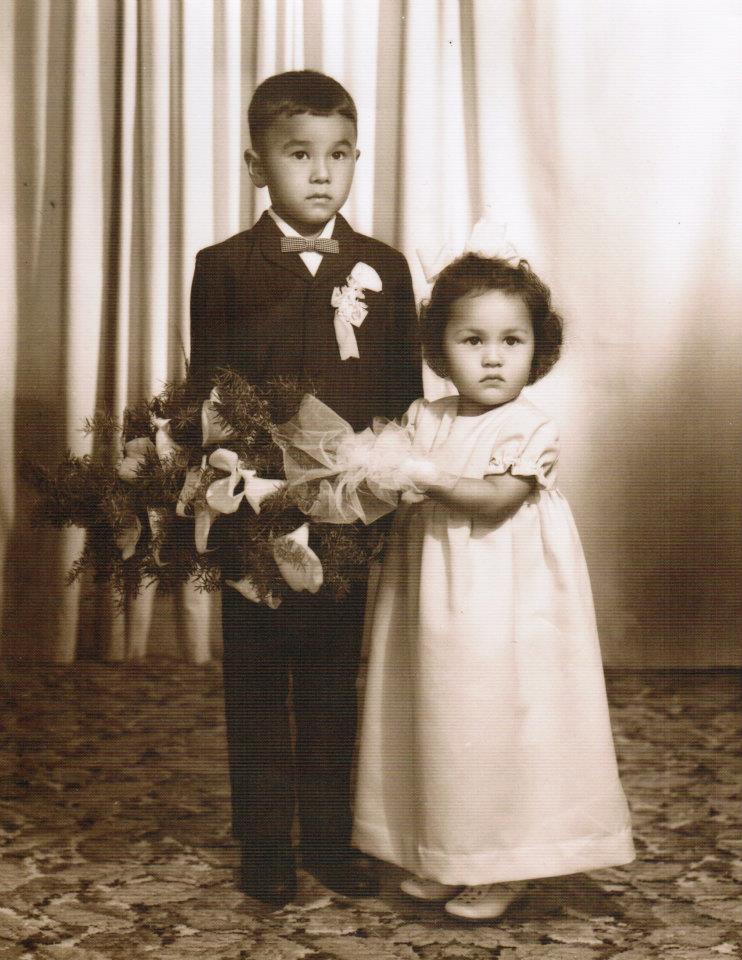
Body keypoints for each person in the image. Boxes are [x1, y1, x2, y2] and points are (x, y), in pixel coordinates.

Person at [187, 70, 422, 907]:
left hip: (349, 511)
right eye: (299, 154)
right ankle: (264, 844)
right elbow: (210, 394)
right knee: (256, 679)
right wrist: (236, 489)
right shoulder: (223, 267)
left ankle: (327, 837)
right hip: (256, 508)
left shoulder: (384, 267)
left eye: (340, 154)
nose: (323, 173)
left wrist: (384, 489)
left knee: (331, 678)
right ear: (257, 166)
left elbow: (401, 396)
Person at [351, 252, 636, 920]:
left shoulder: (527, 427)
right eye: (471, 340)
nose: (492, 359)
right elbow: (395, 488)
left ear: (538, 349)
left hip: (502, 596)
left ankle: (505, 861)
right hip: (433, 592)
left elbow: (495, 501)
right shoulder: (426, 418)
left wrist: (427, 478)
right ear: (439, 349)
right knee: (437, 713)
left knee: (492, 713)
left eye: (512, 341)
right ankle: (446, 852)